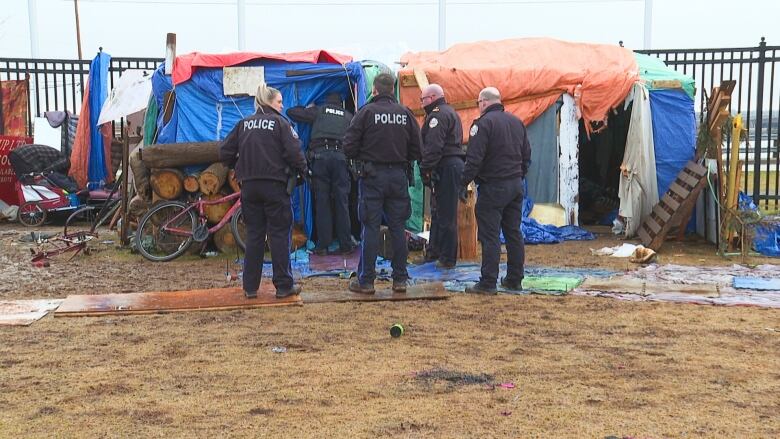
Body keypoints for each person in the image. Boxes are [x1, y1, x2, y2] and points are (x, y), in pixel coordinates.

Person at [219, 84, 308, 299]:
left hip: (249, 187)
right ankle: (283, 286)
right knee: (278, 235)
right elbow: (295, 153)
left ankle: (250, 287)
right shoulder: (280, 123)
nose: (282, 105)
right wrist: (302, 171)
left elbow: (224, 152)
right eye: (279, 101)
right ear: (269, 102)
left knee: (254, 236)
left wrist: (237, 165)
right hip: (275, 186)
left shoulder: (244, 123)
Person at [343, 73, 422, 294]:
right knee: (398, 228)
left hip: (372, 176)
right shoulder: (405, 114)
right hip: (398, 176)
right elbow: (418, 148)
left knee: (370, 228)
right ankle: (400, 280)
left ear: (375, 90)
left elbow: (348, 145)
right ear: (392, 90)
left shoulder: (366, 113)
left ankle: (366, 281)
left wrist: (364, 157)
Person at [460, 87, 531, 295]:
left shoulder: (482, 125)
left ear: (483, 102)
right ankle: (514, 279)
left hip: (493, 187)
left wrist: (463, 183)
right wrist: (518, 176)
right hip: (515, 185)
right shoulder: (517, 122)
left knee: (490, 236)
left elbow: (474, 159)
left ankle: (488, 281)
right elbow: (527, 155)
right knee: (514, 233)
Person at [287, 93, 355, 256]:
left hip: (320, 159)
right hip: (340, 159)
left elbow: (291, 112)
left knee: (322, 202)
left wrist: (308, 107)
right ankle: (345, 244)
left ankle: (323, 245)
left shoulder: (319, 111)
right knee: (342, 202)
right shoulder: (349, 116)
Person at [418, 84, 465, 269]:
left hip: (446, 166)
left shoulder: (437, 116)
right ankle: (434, 252)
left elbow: (434, 147)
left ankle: (447, 258)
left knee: (445, 215)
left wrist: (425, 169)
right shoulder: (450, 112)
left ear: (431, 97)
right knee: (438, 214)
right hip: (450, 165)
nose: (421, 104)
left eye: (423, 100)